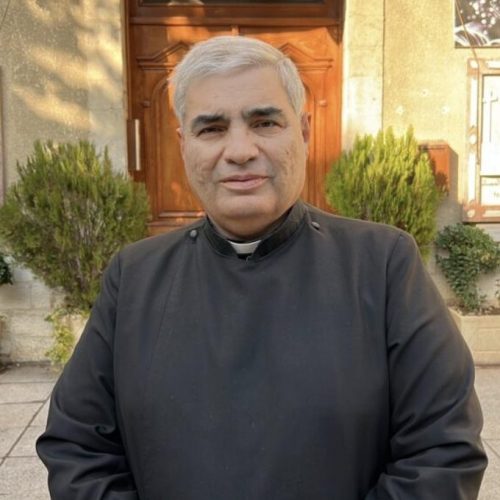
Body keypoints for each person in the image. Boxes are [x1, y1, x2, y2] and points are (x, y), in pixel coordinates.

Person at [37, 36, 487, 499]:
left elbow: (440, 453)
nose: (240, 150)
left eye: (265, 122)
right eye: (212, 129)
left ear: (304, 131)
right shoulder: (135, 277)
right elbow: (79, 447)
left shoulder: (383, 265)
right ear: (184, 145)